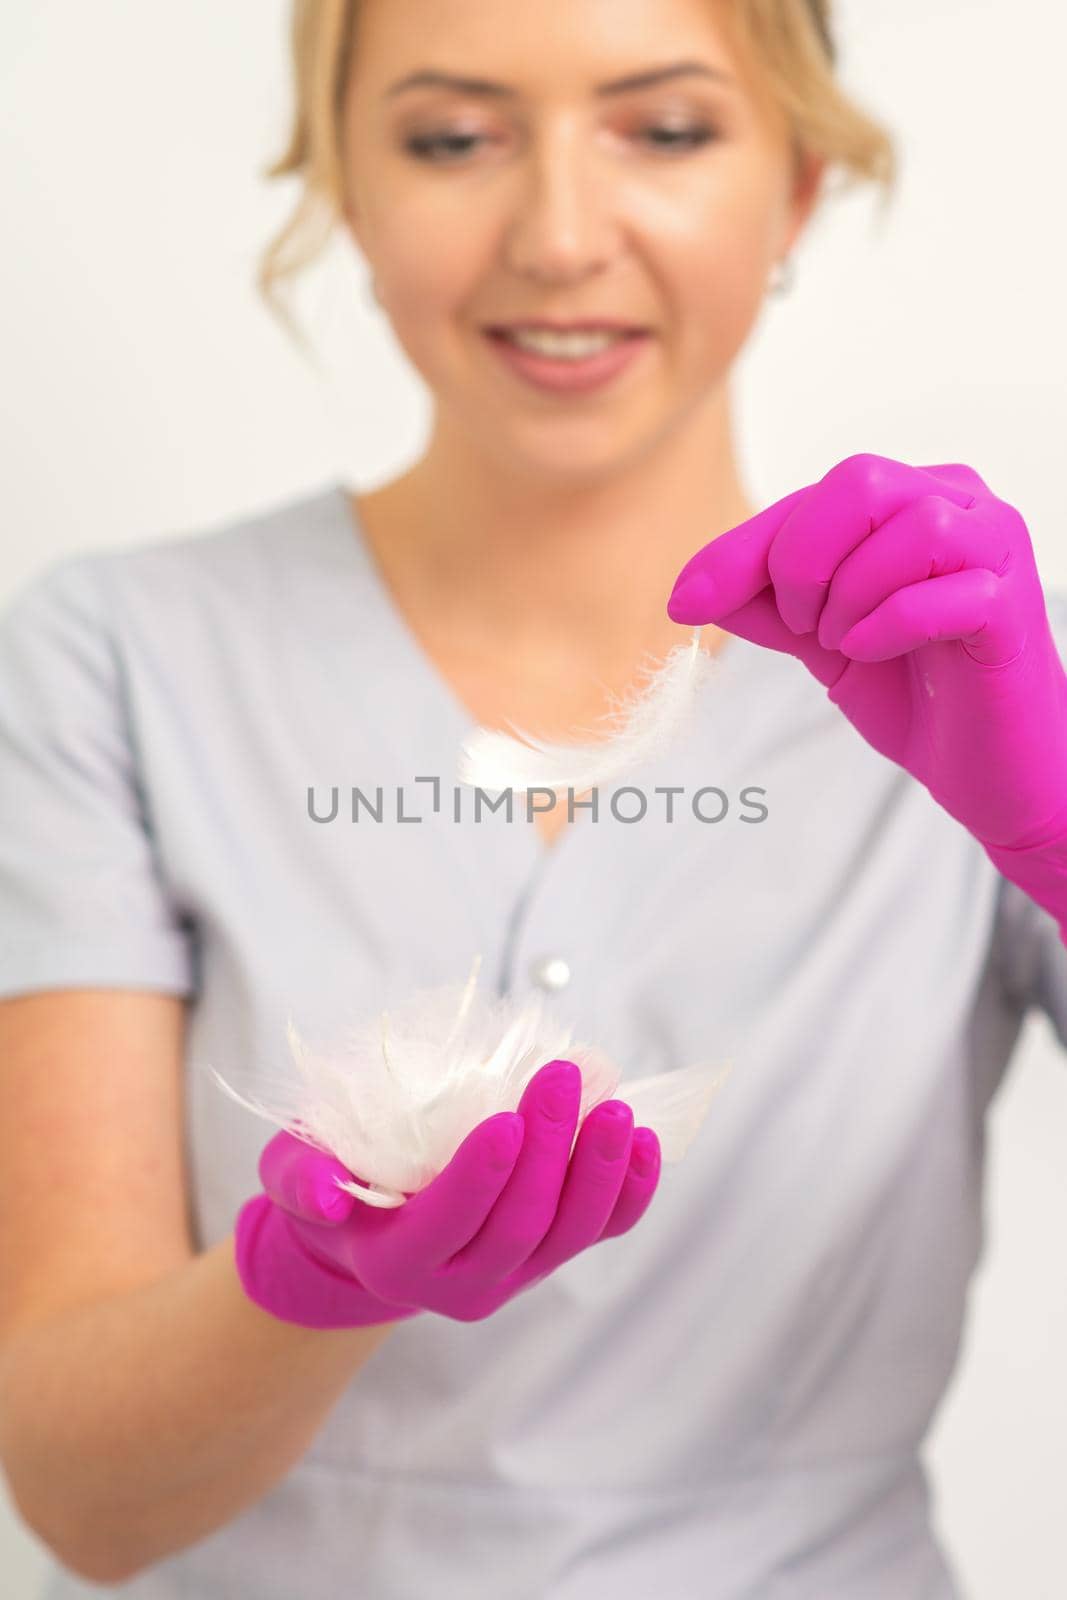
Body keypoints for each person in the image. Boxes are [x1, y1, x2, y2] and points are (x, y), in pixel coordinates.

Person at [1, 1, 1065, 1595]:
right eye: (452, 138)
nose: (561, 238)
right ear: (345, 187)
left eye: (667, 128)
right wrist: (300, 1291)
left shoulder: (972, 668)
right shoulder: (114, 657)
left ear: (794, 188)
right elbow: (83, 1501)